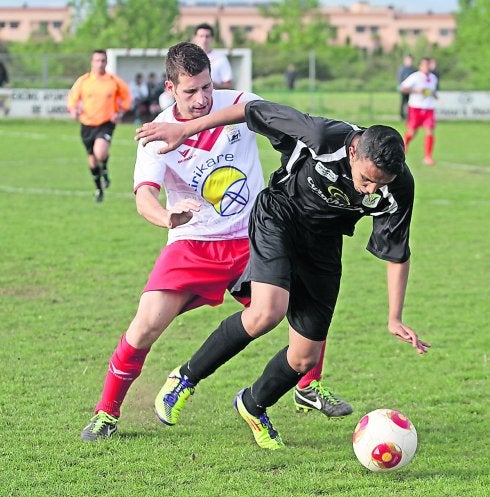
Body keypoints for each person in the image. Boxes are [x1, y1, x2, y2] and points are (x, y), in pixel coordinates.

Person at [135, 99, 431, 451]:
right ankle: (185, 378)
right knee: (266, 312)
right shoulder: (321, 135)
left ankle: (253, 404)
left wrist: (394, 317)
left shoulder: (398, 186)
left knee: (305, 357)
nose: (369, 190)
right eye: (366, 179)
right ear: (353, 151)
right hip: (279, 216)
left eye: (379, 184)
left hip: (323, 245)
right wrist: (186, 129)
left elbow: (397, 251)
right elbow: (250, 109)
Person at [67, 50, 131, 202]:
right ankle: (99, 188)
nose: (100, 63)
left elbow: (127, 97)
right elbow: (72, 99)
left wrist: (120, 112)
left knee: (100, 152)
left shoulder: (114, 81)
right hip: (87, 124)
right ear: (92, 62)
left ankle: (105, 166)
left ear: (106, 62)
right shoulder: (83, 81)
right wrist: (73, 110)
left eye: (103, 60)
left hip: (106, 123)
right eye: (97, 60)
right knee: (92, 160)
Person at [400, 57, 438, 166]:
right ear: (420, 66)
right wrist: (416, 90)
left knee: (430, 131)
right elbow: (402, 88)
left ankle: (428, 156)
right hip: (416, 108)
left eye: (428, 65)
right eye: (424, 65)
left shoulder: (433, 78)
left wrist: (434, 95)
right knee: (412, 132)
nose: (426, 67)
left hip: (429, 108)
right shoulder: (415, 77)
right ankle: (403, 149)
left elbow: (432, 91)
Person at [193, 23, 233, 89]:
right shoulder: (189, 57)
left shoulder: (220, 58)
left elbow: (228, 84)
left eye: (207, 36)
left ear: (212, 38)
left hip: (215, 97)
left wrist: (210, 84)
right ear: (195, 37)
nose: (204, 39)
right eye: (201, 36)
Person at [397, 54, 415, 120]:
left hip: (411, 89)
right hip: (404, 89)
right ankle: (402, 115)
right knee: (403, 102)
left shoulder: (413, 69)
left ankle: (410, 115)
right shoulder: (402, 69)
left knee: (410, 102)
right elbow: (400, 78)